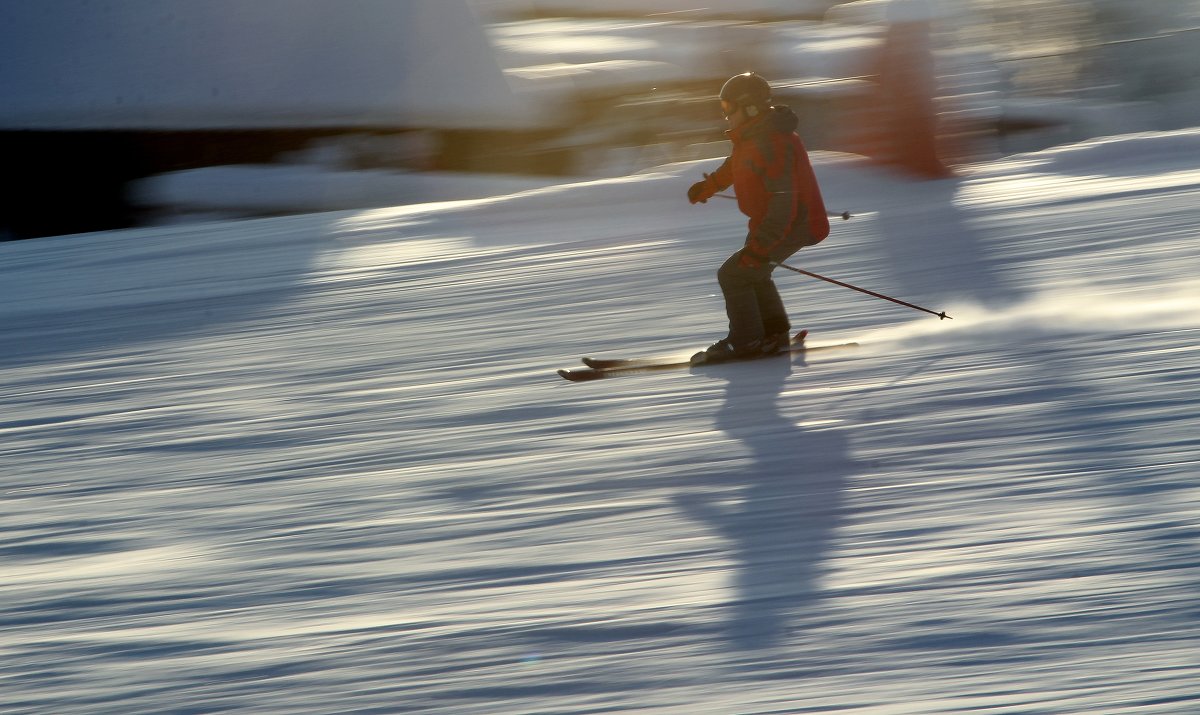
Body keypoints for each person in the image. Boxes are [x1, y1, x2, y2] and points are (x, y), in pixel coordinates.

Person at [687, 72, 830, 363]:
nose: (725, 115)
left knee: (735, 274)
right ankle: (772, 333)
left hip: (792, 224)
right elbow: (736, 164)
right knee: (753, 271)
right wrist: (709, 187)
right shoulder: (755, 135)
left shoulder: (771, 142)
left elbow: (783, 204)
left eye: (728, 108)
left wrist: (760, 246)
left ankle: (746, 341)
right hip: (777, 222)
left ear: (749, 107)